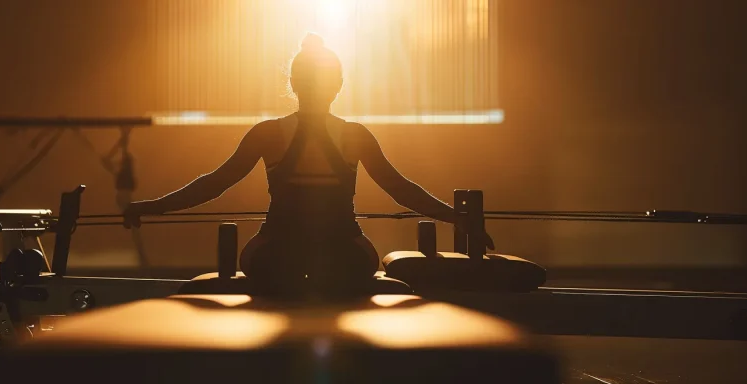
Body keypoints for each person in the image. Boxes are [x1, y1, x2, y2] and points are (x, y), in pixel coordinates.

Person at [124, 33, 490, 295]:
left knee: (270, 267)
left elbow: (213, 184)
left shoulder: (268, 133)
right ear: (338, 85)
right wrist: (459, 220)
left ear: (294, 83)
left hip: (273, 255)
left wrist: (150, 207)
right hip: (347, 256)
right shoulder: (355, 135)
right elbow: (402, 190)